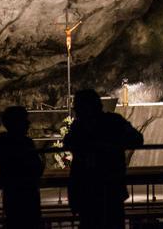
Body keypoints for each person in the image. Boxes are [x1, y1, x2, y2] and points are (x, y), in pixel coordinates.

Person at [64, 89, 144, 229]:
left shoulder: (81, 127)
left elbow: (69, 143)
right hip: (108, 188)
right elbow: (136, 139)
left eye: (78, 107)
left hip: (91, 190)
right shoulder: (112, 122)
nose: (76, 111)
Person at [0, 106, 44, 229]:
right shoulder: (25, 143)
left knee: (14, 219)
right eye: (24, 120)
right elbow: (36, 166)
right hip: (27, 191)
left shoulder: (2, 142)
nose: (28, 123)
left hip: (12, 190)